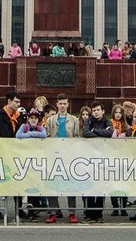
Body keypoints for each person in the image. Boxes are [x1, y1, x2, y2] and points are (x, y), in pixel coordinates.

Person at [43, 94, 81, 224]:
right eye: (60, 104)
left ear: (68, 104)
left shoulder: (74, 120)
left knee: (71, 184)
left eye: (65, 103)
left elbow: (77, 137)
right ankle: (53, 212)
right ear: (57, 104)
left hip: (69, 156)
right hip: (54, 155)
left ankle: (72, 212)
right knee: (52, 183)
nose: (63, 106)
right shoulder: (51, 120)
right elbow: (46, 137)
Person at [82, 102, 113, 222]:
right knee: (90, 187)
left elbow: (109, 133)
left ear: (103, 111)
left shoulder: (107, 122)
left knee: (100, 188)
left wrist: (94, 130)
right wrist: (99, 132)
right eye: (94, 110)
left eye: (98, 110)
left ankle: (98, 214)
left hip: (103, 158)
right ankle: (90, 214)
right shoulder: (88, 121)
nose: (96, 112)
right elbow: (85, 133)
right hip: (90, 158)